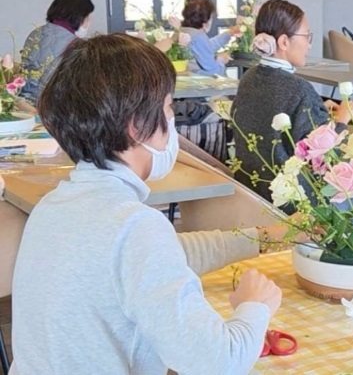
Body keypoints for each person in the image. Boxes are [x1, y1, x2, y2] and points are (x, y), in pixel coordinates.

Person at [10, 34, 281, 375]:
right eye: (169, 108)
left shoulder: (54, 206)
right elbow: (220, 362)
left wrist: (263, 237)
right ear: (137, 126)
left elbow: (161, 255)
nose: (172, 122)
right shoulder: (134, 226)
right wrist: (255, 305)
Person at [231, 0, 353, 204]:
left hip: (251, 195)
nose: (309, 44)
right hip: (293, 204)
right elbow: (325, 158)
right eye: (306, 36)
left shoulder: (249, 78)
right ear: (283, 42)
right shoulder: (298, 89)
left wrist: (316, 108)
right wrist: (342, 119)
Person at [20, 0, 94, 101]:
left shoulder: (35, 33)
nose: (88, 23)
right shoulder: (77, 46)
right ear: (80, 17)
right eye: (88, 18)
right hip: (52, 105)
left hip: (23, 102)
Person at [180, 0, 232, 76]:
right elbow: (212, 70)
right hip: (199, 80)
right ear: (206, 19)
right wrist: (220, 61)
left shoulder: (183, 31)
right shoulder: (198, 36)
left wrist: (229, 33)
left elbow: (207, 46)